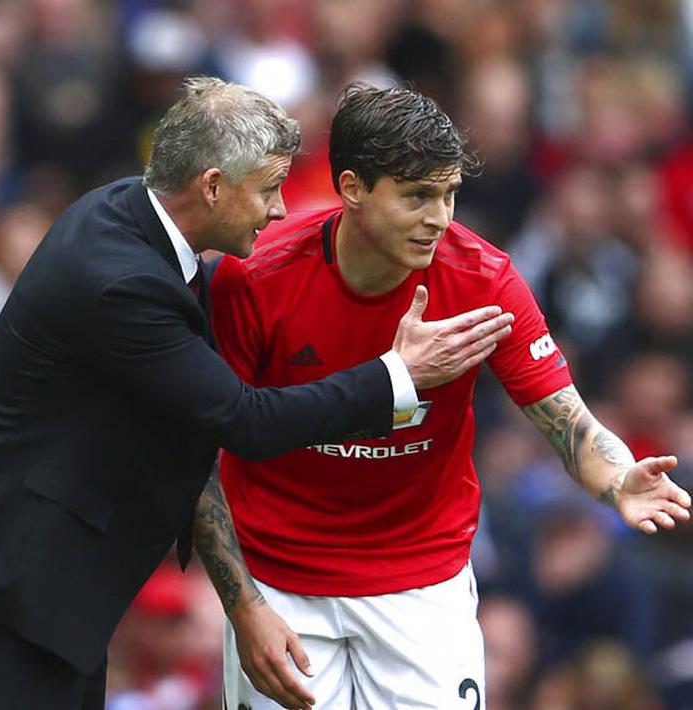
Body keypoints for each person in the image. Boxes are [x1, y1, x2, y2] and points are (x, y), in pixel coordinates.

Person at [0, 76, 515, 709]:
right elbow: (243, 420)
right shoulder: (121, 282)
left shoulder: (127, 214)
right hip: (18, 574)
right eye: (269, 190)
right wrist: (396, 375)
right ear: (213, 186)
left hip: (53, 572)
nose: (281, 210)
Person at [196, 84, 692, 710]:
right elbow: (198, 452)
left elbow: (571, 423)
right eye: (417, 196)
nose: (439, 217)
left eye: (449, 193)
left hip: (421, 582)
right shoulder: (253, 277)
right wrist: (243, 608)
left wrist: (619, 478)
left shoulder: (484, 281)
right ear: (352, 188)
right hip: (280, 583)